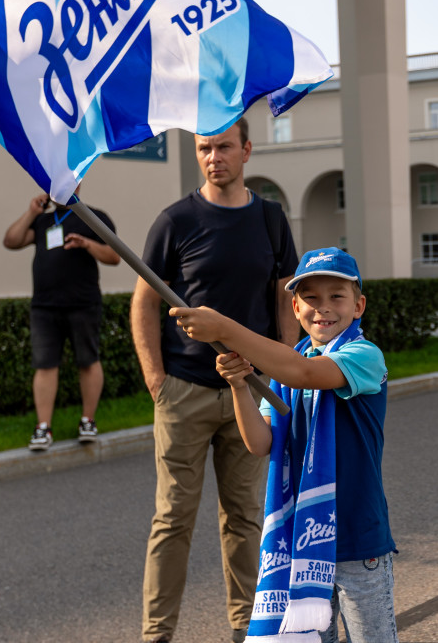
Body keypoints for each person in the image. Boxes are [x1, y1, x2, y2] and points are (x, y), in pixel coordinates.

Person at [170, 247, 398, 643]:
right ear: (294, 307)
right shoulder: (284, 367)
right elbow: (261, 443)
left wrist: (224, 327)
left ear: (359, 306)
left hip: (360, 541)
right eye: (310, 297)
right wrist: (240, 385)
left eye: (336, 296)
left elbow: (305, 373)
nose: (322, 308)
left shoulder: (363, 355)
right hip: (302, 545)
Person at [130, 117, 300, 643]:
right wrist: (157, 380)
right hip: (185, 390)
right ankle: (157, 634)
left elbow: (284, 296)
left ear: (247, 151)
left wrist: (284, 363)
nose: (213, 157)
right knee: (173, 519)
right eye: (204, 148)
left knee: (245, 520)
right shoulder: (176, 220)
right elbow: (143, 301)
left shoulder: (271, 220)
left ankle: (247, 629)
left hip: (251, 393)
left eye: (223, 147)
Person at [3, 186, 120, 450]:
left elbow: (114, 257)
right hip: (45, 306)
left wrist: (87, 244)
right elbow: (11, 241)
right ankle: (43, 428)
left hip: (83, 304)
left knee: (88, 361)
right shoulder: (43, 220)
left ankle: (87, 421)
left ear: (77, 184)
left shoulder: (94, 217)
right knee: (45, 365)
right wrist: (31, 213)